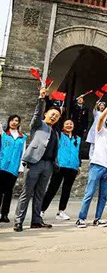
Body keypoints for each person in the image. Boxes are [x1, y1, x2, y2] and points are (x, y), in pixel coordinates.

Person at [13, 87, 61, 232]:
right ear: (46, 114)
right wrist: (41, 100)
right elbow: (36, 114)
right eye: (52, 114)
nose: (54, 117)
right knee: (26, 193)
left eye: (57, 116)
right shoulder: (39, 124)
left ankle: (36, 221)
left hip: (48, 166)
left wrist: (55, 165)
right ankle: (18, 221)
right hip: (34, 162)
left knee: (40, 194)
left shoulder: (56, 133)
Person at [75, 96, 107, 228]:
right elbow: (100, 118)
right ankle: (81, 218)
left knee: (103, 196)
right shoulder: (101, 131)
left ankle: (98, 218)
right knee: (89, 193)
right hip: (96, 165)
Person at [40, 120, 81, 221]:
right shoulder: (59, 135)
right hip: (60, 166)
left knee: (66, 190)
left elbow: (78, 153)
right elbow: (55, 126)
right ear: (63, 126)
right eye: (66, 123)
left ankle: (61, 211)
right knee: (52, 189)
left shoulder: (78, 138)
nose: (69, 125)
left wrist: (78, 165)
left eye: (71, 124)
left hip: (73, 167)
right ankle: (41, 210)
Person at [0, 115, 27, 223]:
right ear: (9, 121)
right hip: (2, 165)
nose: (14, 122)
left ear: (19, 123)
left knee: (8, 191)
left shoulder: (22, 137)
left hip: (14, 168)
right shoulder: (3, 134)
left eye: (16, 121)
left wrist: (21, 167)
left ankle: (4, 214)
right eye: (12, 120)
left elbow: (23, 153)